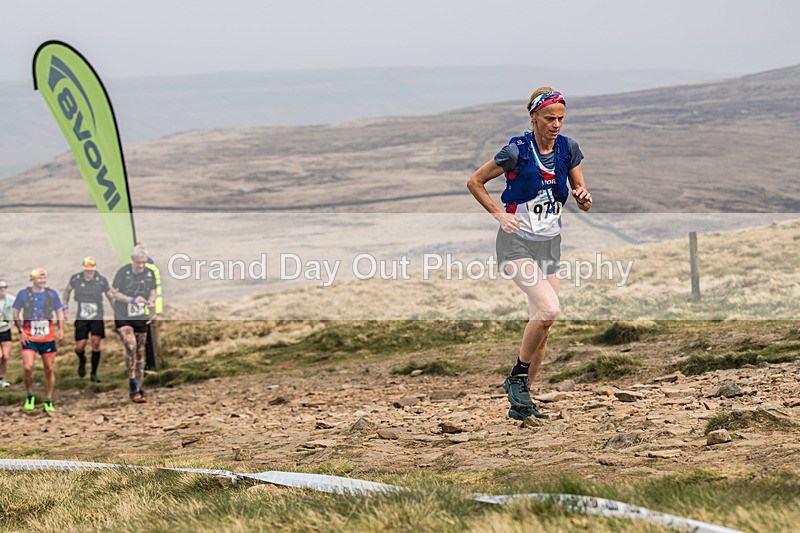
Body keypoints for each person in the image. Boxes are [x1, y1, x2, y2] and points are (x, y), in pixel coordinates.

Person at [467, 87, 592, 421]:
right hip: (516, 244)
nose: (556, 124)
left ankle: (522, 403)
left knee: (544, 328)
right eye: (549, 118)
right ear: (534, 117)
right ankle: (517, 376)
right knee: (549, 308)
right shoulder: (516, 152)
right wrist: (499, 214)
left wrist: (583, 197)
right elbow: (475, 182)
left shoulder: (568, 149)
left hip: (549, 243)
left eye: (561, 118)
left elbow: (581, 195)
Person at [11, 268, 65, 413]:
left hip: (47, 336)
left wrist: (61, 329)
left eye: (44, 278)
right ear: (33, 279)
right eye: (39, 278)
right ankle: (30, 395)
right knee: (28, 367)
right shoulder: (23, 294)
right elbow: (15, 312)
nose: (42, 280)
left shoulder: (51, 294)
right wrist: (21, 331)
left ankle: (48, 399)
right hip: (29, 336)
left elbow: (59, 311)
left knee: (49, 368)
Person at [110, 245, 157, 403]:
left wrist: (151, 301)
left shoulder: (149, 273)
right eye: (138, 262)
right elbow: (114, 293)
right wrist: (131, 300)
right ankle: (131, 381)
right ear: (132, 260)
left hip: (140, 315)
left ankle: (139, 387)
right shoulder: (123, 272)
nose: (141, 266)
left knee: (140, 351)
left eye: (143, 262)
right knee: (131, 346)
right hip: (123, 315)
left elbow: (153, 291)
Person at [62, 257, 114, 382]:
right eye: (86, 270)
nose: (89, 273)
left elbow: (110, 296)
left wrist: (117, 310)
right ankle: (82, 360)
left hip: (97, 315)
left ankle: (94, 373)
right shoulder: (76, 278)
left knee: (96, 343)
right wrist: (65, 305)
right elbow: (67, 291)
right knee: (80, 346)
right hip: (82, 316)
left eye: (91, 270)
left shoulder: (101, 280)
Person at [0, 280, 14, 388]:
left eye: (5, 286)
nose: (3, 289)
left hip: (6, 330)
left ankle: (1, 379)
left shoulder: (11, 299)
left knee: (5, 356)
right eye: (0, 287)